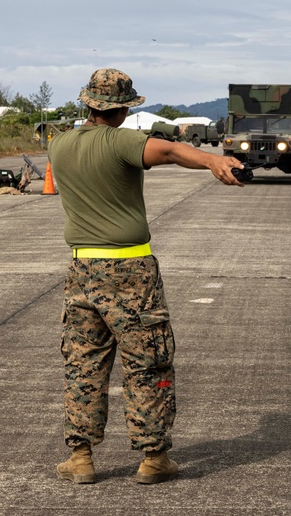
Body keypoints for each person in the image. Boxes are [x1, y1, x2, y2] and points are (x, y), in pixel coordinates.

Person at [48, 68, 243, 485]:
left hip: (81, 269)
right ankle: (153, 458)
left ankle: (80, 458)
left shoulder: (59, 144)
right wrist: (211, 159)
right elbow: (169, 151)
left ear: (87, 103)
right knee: (147, 362)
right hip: (130, 271)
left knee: (83, 364)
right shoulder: (121, 140)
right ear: (121, 109)